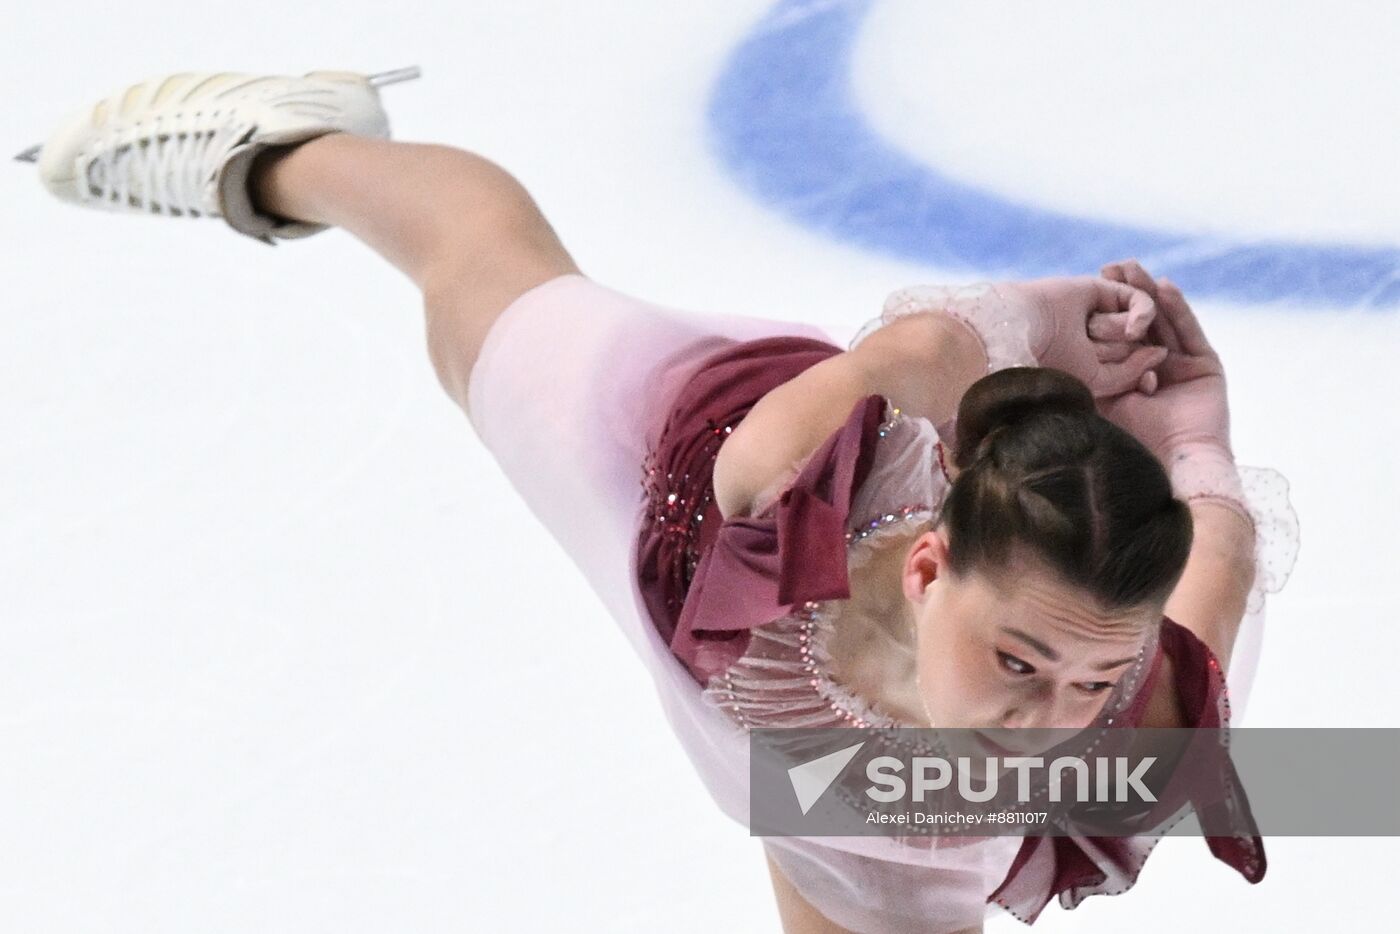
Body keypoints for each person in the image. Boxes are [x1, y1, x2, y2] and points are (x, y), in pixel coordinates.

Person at [20, 68, 1299, 933]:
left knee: (855, 827)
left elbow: (1216, 557)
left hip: (856, 803)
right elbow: (931, 346)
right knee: (475, 282)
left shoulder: (1120, 712)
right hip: (661, 465)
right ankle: (287, 147)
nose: (1049, 724)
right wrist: (1045, 318)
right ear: (925, 572)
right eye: (1022, 662)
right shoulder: (786, 468)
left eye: (1087, 683)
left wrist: (1195, 435)